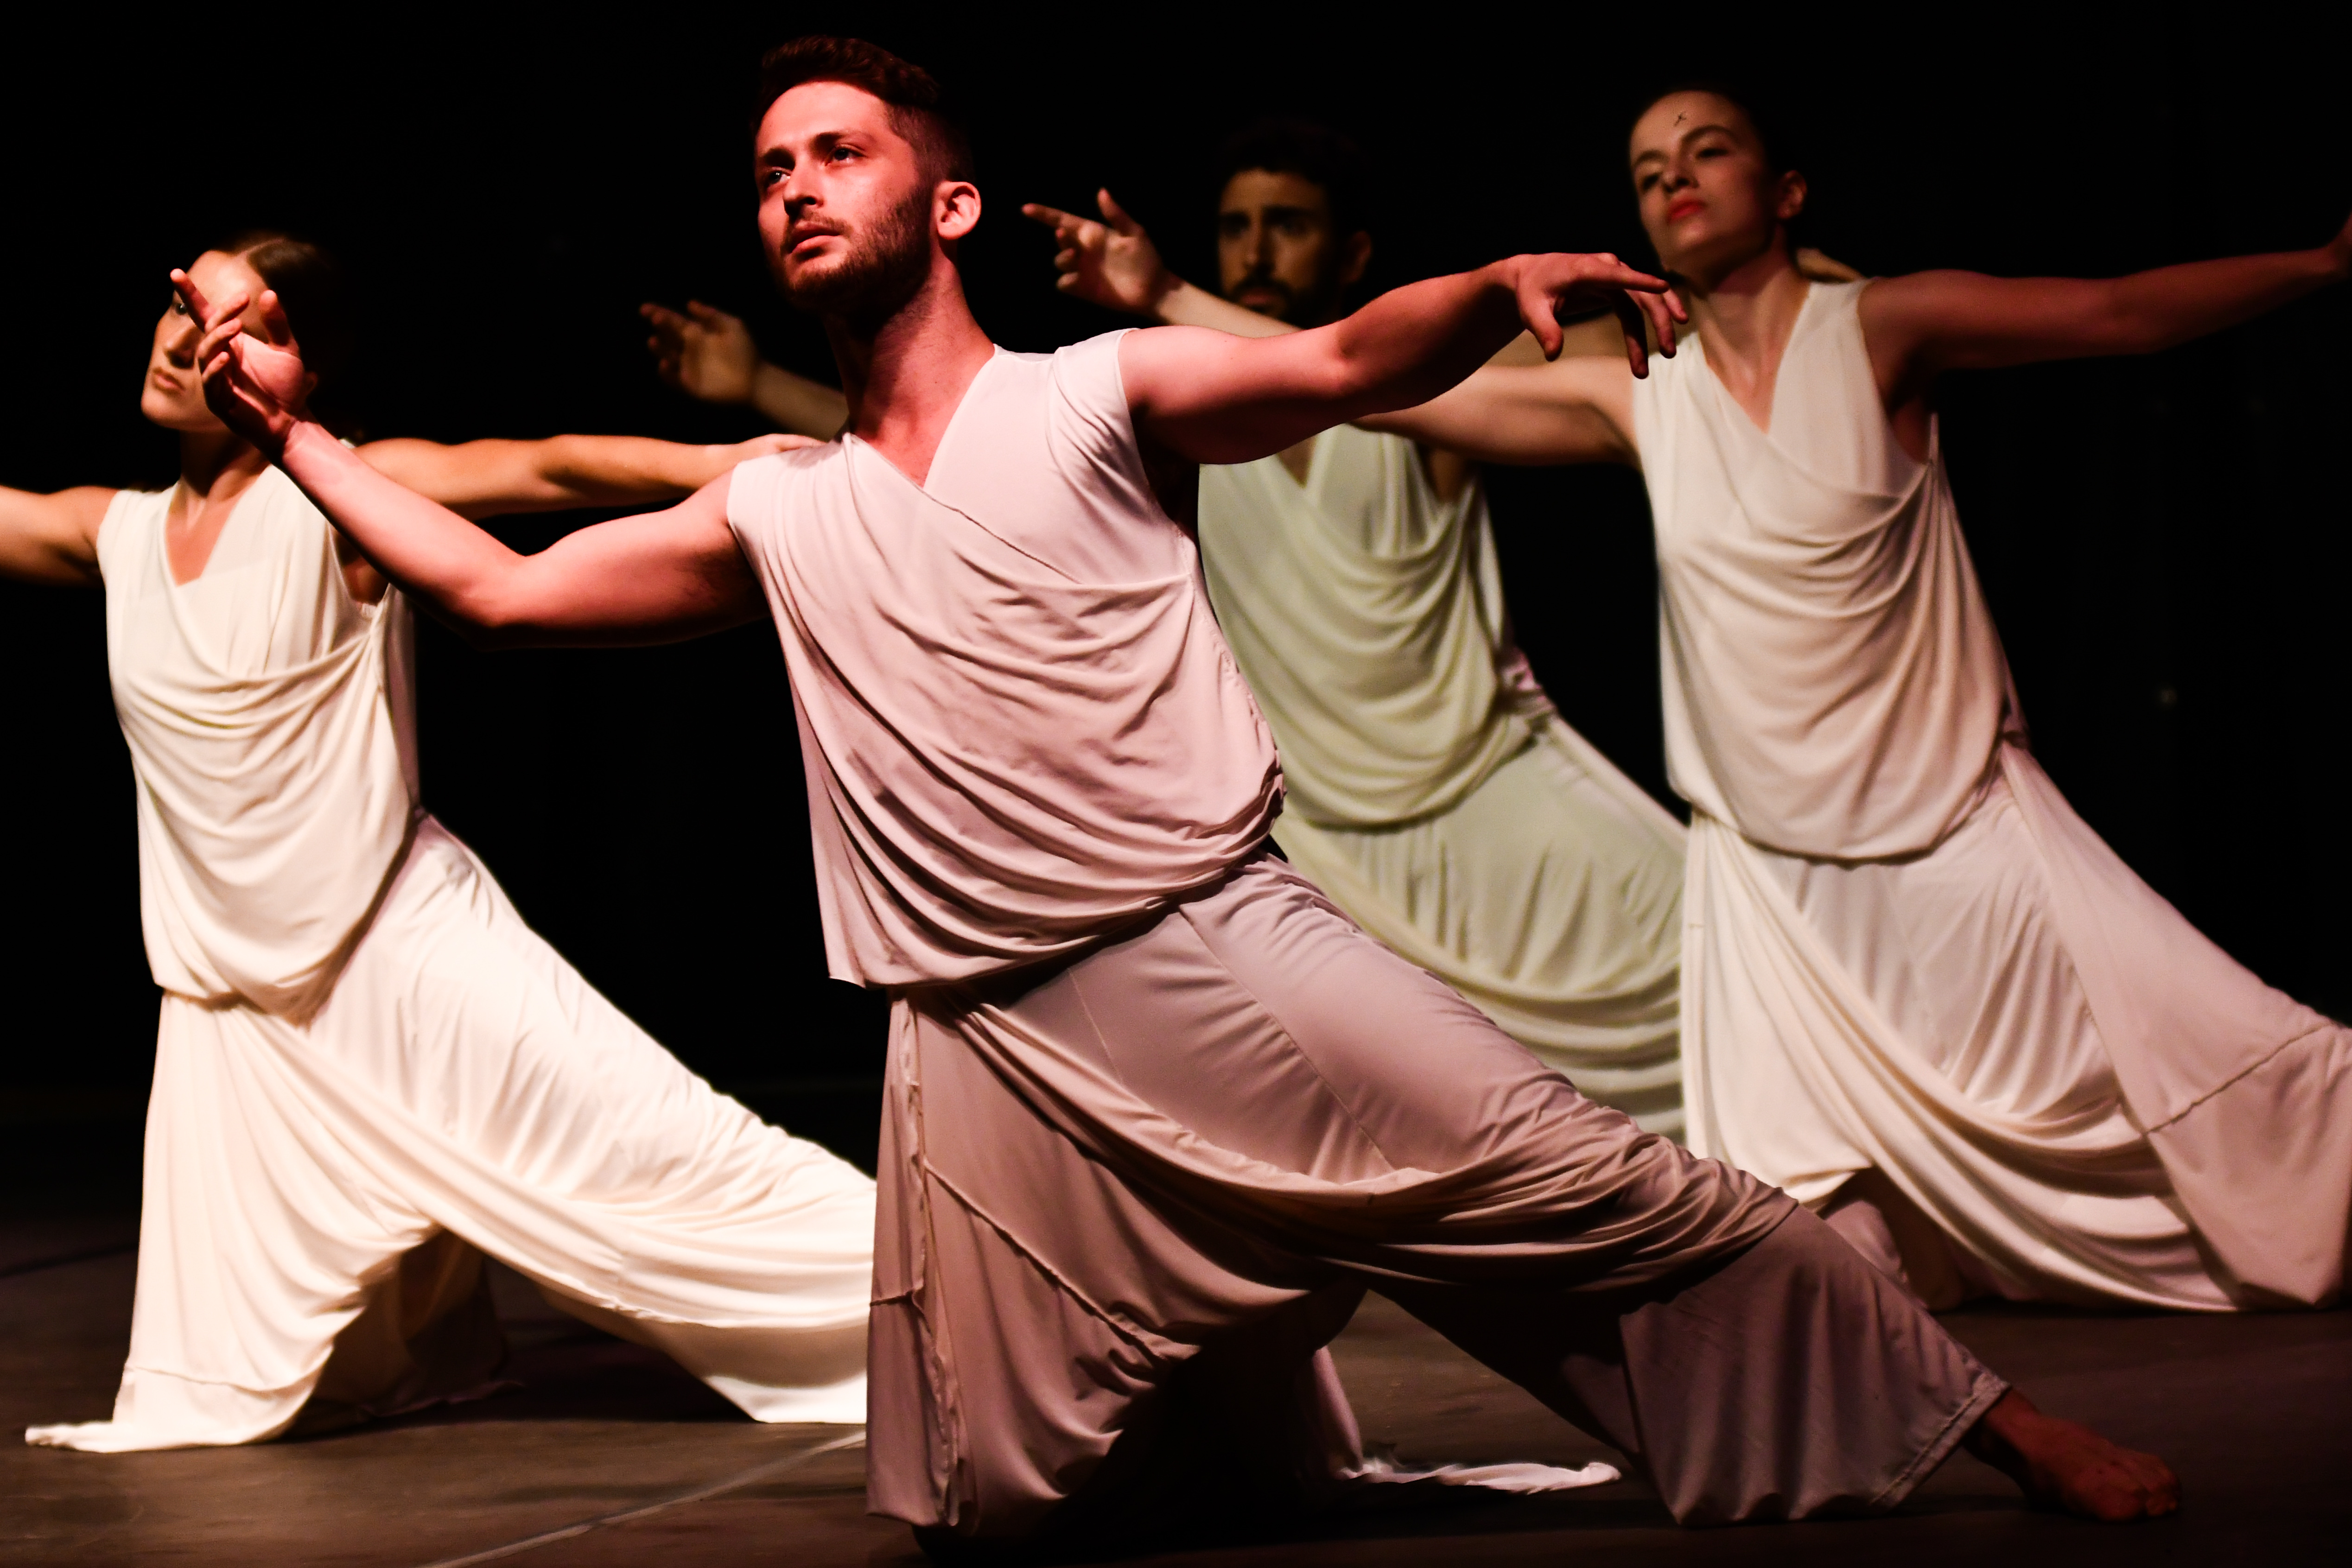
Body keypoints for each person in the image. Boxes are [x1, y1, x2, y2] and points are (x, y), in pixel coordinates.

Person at [190, 40, 2177, 1548]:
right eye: (771, 168)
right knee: (985, 1496)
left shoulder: (1098, 390)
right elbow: (504, 591)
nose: (793, 189)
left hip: (1214, 956)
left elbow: (1340, 364)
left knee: (1598, 1186)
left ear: (949, 204)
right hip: (980, 1045)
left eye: (838, 153)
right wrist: (293, 434)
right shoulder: (774, 500)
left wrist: (1491, 280)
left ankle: (1986, 1420)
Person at [1355, 84, 2352, 1312]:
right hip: (1772, 889)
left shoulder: (1881, 328)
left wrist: (2324, 263)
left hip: (1959, 827)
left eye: (1707, 150)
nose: (1675, 176)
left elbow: (2119, 311)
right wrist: (1174, 315)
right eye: (1650, 167)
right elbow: (1367, 385)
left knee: (2242, 1081)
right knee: (1811, 1245)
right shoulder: (1639, 390)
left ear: (1786, 191)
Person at [6, 233, 876, 1453]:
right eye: (180, 309)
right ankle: (414, 1353)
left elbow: (544, 467)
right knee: (220, 1396)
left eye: (230, 321)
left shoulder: (343, 493)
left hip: (394, 946)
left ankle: (976, 1299)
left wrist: (727, 461)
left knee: (670, 1165)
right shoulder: (118, 532)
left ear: (296, 364)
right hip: (233, 1002)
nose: (183, 344)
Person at [1013, 129, 1873, 1137]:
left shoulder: (1433, 379)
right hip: (1322, 843)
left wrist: (1780, 298)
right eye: (1236, 227)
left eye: (1287, 225)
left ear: (1352, 254)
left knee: (1755, 972)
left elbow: (1639, 342)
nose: (1255, 249)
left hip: (1491, 788)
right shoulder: (1177, 419)